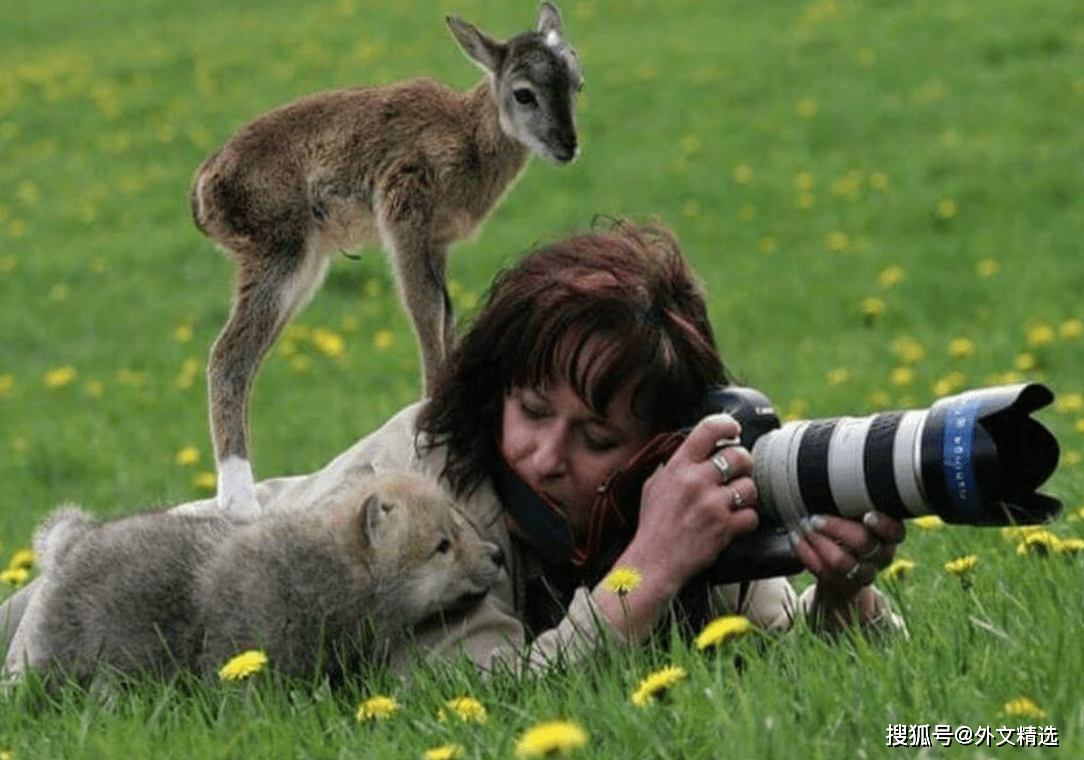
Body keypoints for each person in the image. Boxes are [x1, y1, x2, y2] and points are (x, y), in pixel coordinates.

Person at [2, 220, 904, 676]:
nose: (547, 455)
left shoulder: (679, 495)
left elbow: (810, 678)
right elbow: (492, 711)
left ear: (656, 449)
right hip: (100, 608)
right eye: (531, 410)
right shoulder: (429, 496)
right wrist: (648, 575)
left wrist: (844, 598)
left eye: (596, 437)